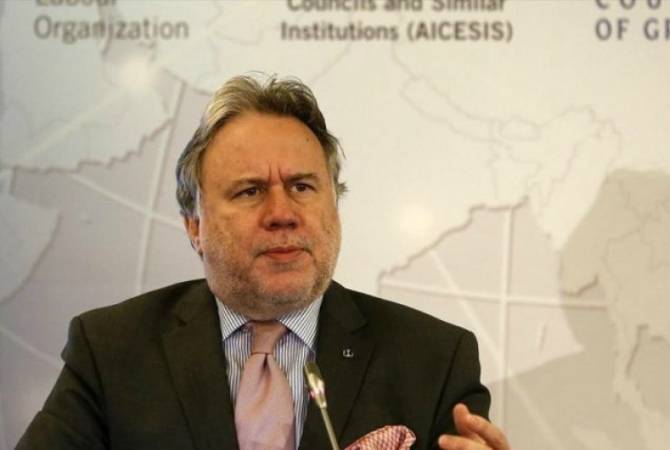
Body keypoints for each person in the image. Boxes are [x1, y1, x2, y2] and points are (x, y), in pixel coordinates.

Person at [17, 74, 511, 450]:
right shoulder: (112, 351)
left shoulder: (432, 358)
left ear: (334, 207)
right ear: (194, 226)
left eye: (302, 186)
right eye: (250, 191)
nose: (282, 214)